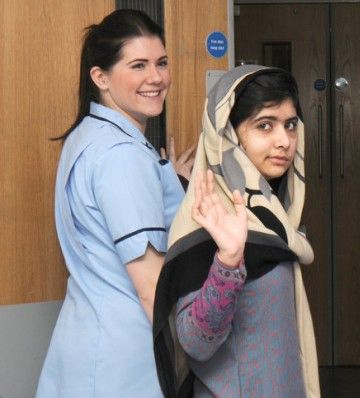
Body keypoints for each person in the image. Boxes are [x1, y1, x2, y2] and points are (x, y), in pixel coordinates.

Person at [37, 10, 193, 397]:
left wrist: (167, 182)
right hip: (123, 360)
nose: (155, 78)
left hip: (87, 342)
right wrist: (202, 348)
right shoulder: (121, 155)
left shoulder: (89, 136)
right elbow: (151, 285)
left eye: (161, 63)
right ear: (100, 77)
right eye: (138, 65)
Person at [153, 65, 320, 397]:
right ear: (227, 135)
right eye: (264, 126)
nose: (284, 141)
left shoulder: (273, 214)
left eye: (290, 125)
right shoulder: (211, 216)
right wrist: (228, 261)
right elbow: (195, 343)